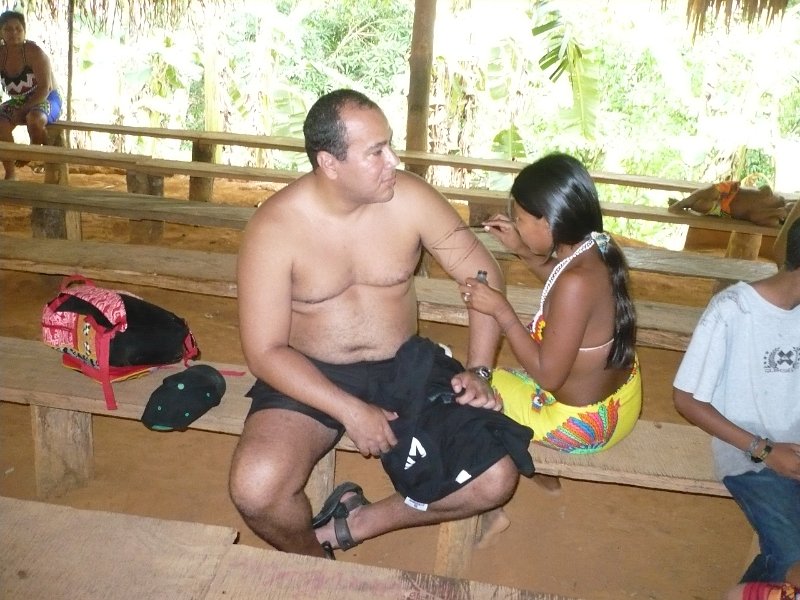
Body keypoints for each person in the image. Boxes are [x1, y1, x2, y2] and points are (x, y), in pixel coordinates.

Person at [229, 88, 530, 559]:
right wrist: (350, 410)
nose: (393, 160)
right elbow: (265, 352)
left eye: (389, 144)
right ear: (330, 163)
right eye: (376, 152)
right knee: (256, 490)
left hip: (405, 366)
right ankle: (314, 564)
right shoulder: (275, 229)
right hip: (313, 372)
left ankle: (354, 524)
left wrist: (479, 368)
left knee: (495, 480)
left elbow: (482, 273)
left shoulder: (410, 198)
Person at [460, 152, 642, 534]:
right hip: (620, 401)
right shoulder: (595, 248)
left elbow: (548, 377)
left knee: (472, 393)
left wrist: (500, 309)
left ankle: (491, 504)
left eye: (521, 220)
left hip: (584, 425)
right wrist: (521, 247)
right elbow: (560, 280)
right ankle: (540, 470)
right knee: (497, 379)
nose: (517, 225)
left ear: (550, 221)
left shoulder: (577, 283)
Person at [673, 219, 800, 591]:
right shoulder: (734, 310)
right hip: (749, 453)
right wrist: (765, 450)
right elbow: (685, 399)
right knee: (791, 557)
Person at [0, 10, 62, 180]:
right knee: (0, 123)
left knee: (34, 119)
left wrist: (23, 110)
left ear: (24, 31)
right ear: (1, 32)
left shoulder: (35, 53)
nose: (14, 33)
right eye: (8, 29)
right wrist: (19, 108)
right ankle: (10, 172)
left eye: (18, 29)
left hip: (47, 97)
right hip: (19, 100)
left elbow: (44, 88)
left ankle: (32, 149)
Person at [668, 180, 793, 228]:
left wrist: (777, 212)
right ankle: (683, 203)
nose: (792, 207)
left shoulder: (774, 221)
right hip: (732, 190)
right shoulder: (779, 199)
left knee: (701, 205)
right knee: (713, 191)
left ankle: (687, 203)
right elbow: (763, 188)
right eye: (794, 206)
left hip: (725, 210)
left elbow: (754, 216)